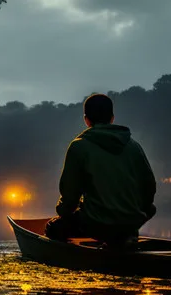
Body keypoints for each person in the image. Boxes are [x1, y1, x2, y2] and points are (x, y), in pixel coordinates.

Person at [46, 93, 156, 244]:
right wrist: (135, 213)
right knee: (151, 209)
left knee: (52, 228)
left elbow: (70, 198)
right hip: (130, 223)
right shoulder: (134, 146)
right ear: (112, 118)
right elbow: (149, 188)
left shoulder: (79, 146)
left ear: (86, 120)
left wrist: (62, 214)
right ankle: (125, 236)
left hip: (96, 224)